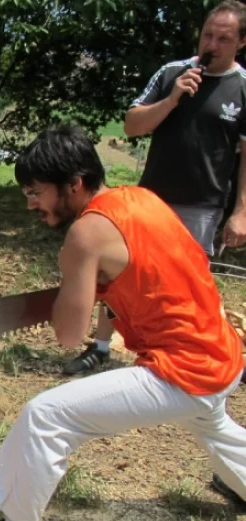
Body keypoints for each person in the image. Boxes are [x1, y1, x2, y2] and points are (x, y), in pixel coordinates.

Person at [0, 126, 246, 521]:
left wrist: (73, 279)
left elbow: (68, 336)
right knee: (211, 420)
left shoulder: (86, 235)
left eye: (36, 192)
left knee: (47, 415)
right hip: (223, 354)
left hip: (185, 368)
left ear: (75, 185)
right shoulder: (140, 198)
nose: (30, 204)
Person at [64, 0, 246, 375]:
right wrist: (173, 97)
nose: (211, 44)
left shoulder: (242, 88)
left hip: (202, 204)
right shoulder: (172, 73)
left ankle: (190, 357)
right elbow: (132, 125)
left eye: (223, 38)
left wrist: (242, 211)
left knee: (190, 285)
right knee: (116, 272)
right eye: (207, 35)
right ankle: (99, 348)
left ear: (241, 43)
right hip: (148, 201)